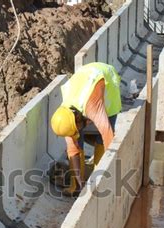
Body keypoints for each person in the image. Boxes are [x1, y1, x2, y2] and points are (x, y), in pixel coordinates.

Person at [51, 62, 122, 195]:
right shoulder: (66, 116)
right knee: (76, 142)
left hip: (106, 79)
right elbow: (73, 150)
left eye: (77, 129)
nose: (76, 133)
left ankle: (99, 180)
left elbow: (108, 136)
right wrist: (78, 185)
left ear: (77, 118)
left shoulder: (93, 106)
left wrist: (110, 170)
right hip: (85, 78)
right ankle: (76, 185)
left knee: (102, 137)